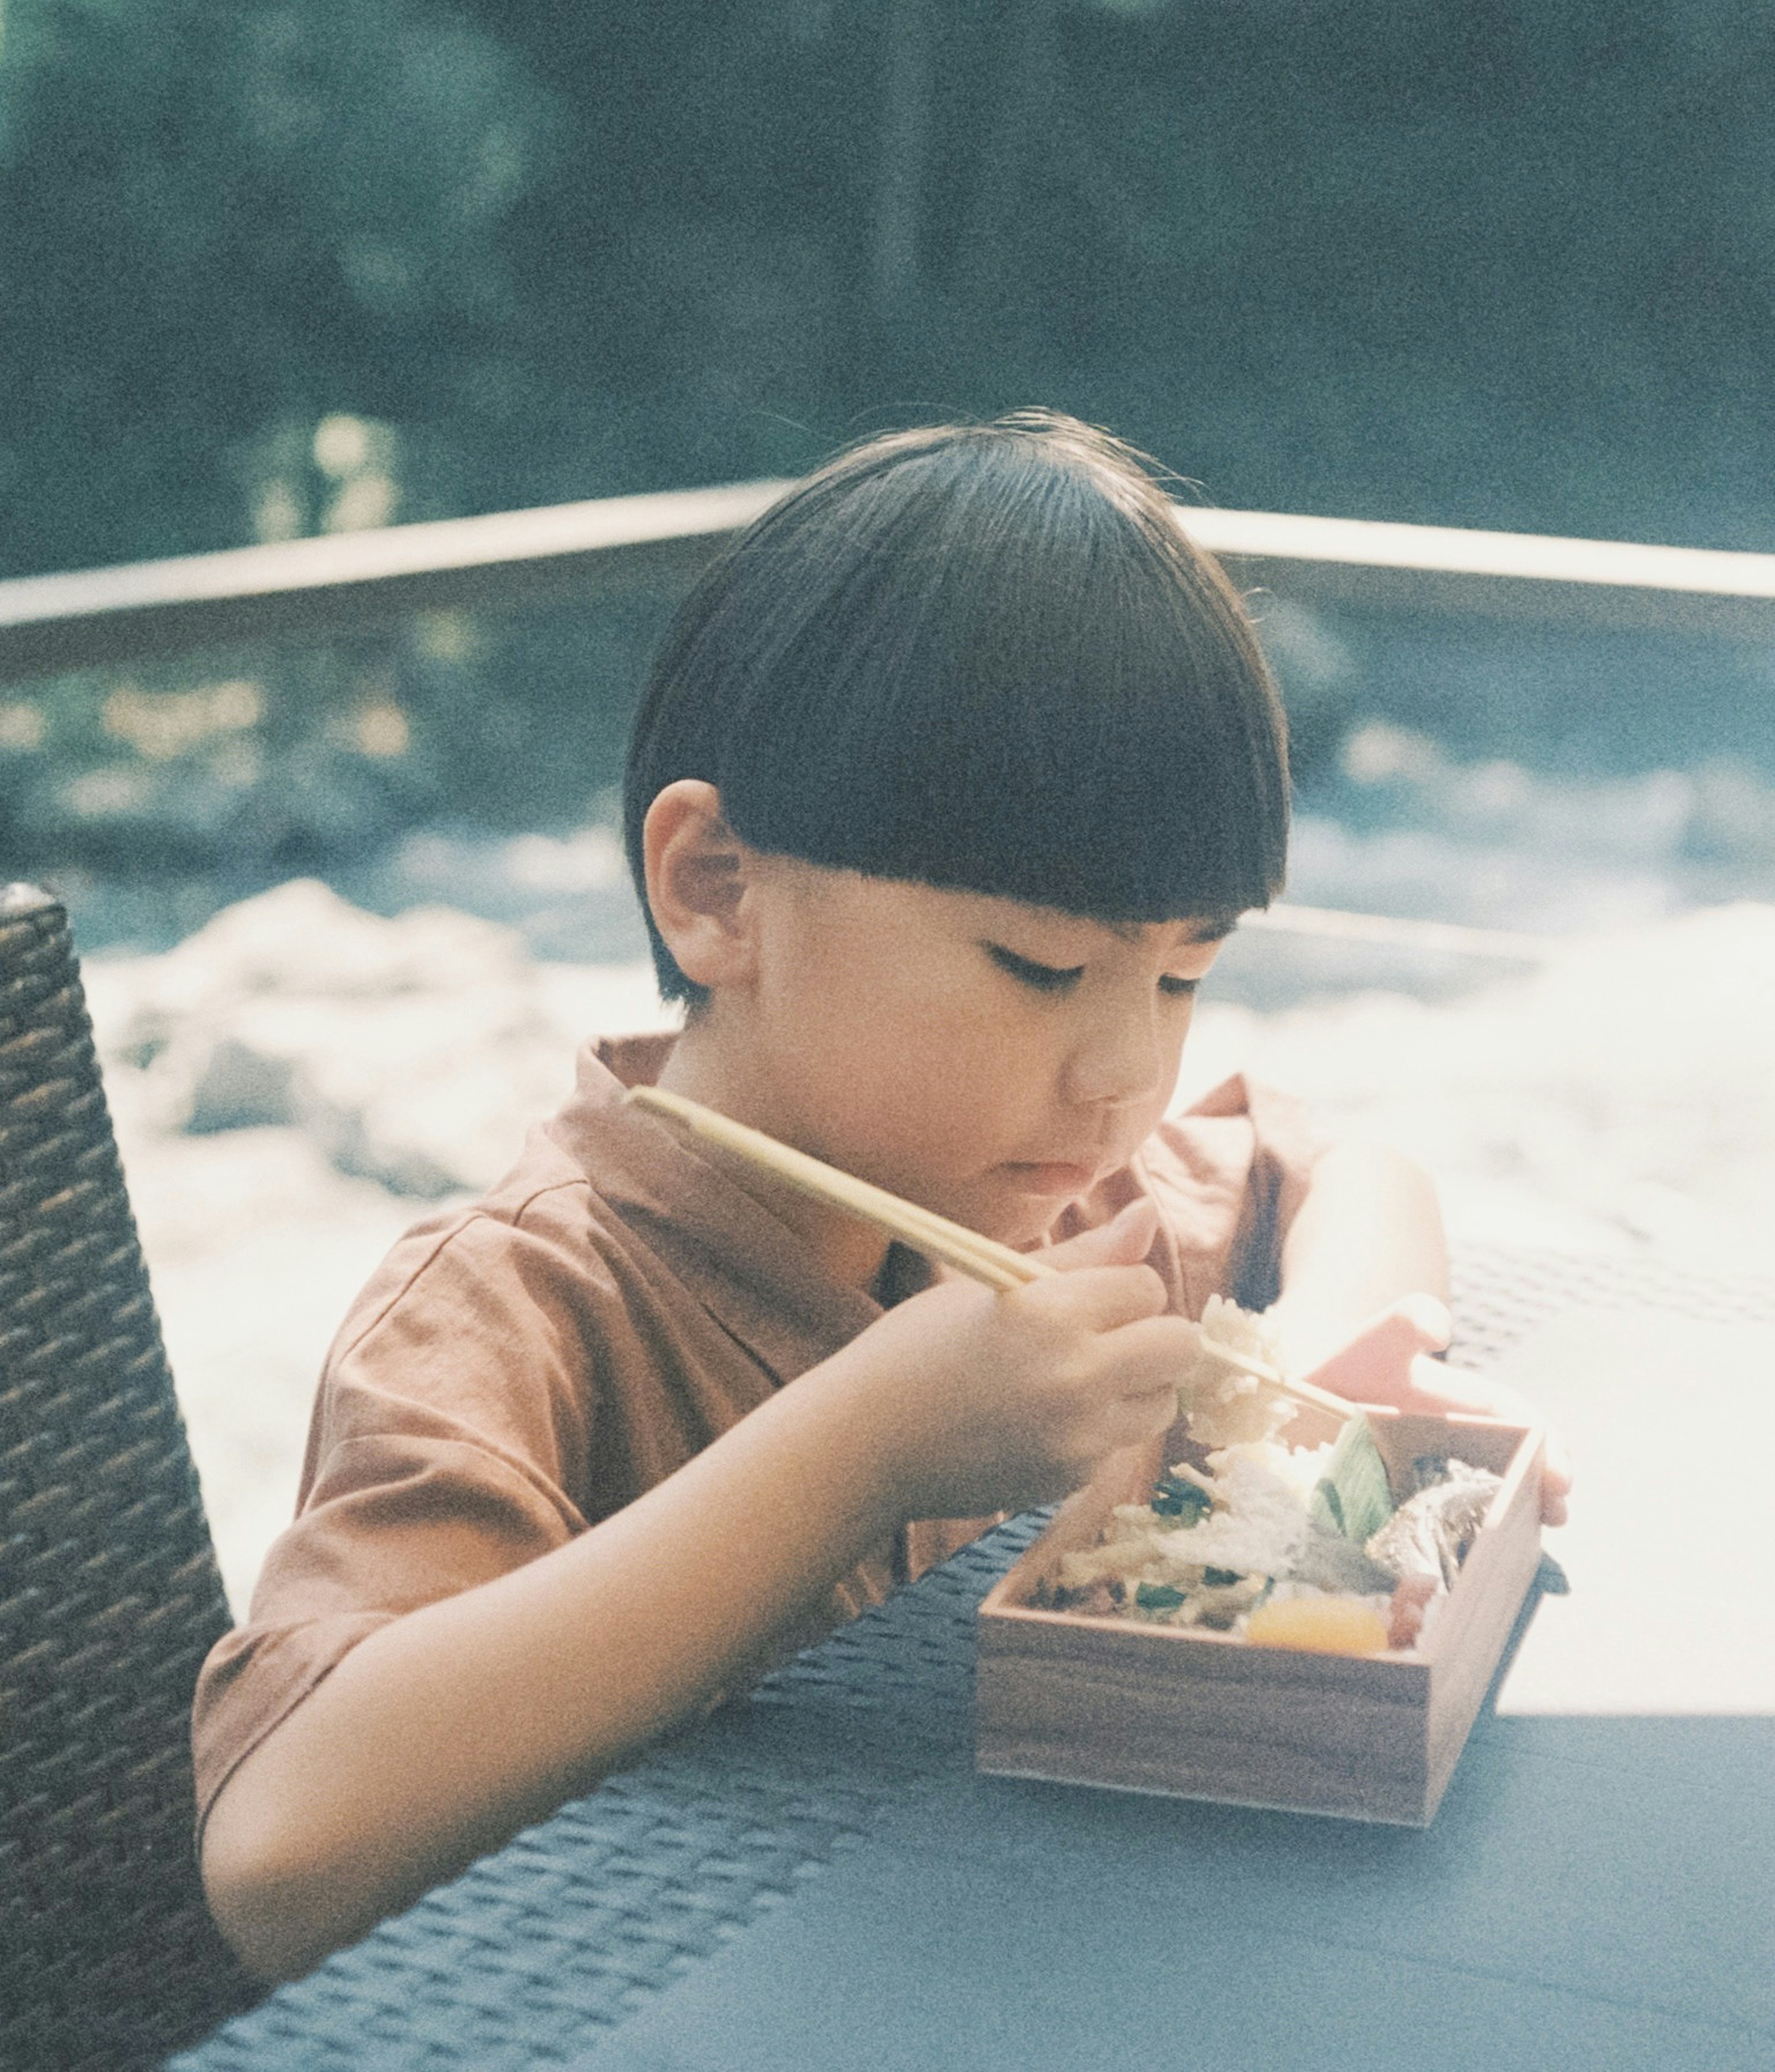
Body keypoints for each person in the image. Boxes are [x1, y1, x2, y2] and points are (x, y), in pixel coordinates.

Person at [194, 412, 1567, 1982]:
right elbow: (278, 1853)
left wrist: (1324, 1371)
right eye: (1041, 968)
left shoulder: (1046, 1204)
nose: (1124, 1072)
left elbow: (1344, 1171)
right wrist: (864, 1449)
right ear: (716, 890)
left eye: (1184, 972)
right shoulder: (523, 1303)